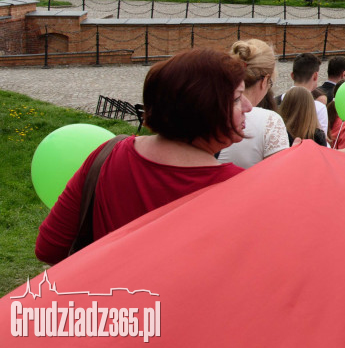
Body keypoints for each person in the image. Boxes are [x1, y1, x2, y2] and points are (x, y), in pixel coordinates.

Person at [36, 49, 251, 264]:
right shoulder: (238, 186)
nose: (249, 107)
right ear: (203, 108)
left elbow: (50, 248)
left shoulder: (108, 155)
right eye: (237, 99)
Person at [218, 39, 290, 168]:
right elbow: (279, 177)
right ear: (265, 80)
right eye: (270, 83)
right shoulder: (270, 120)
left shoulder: (213, 109)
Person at [281, 53, 329, 137]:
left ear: (292, 75)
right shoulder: (319, 108)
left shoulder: (278, 100)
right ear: (315, 76)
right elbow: (322, 141)